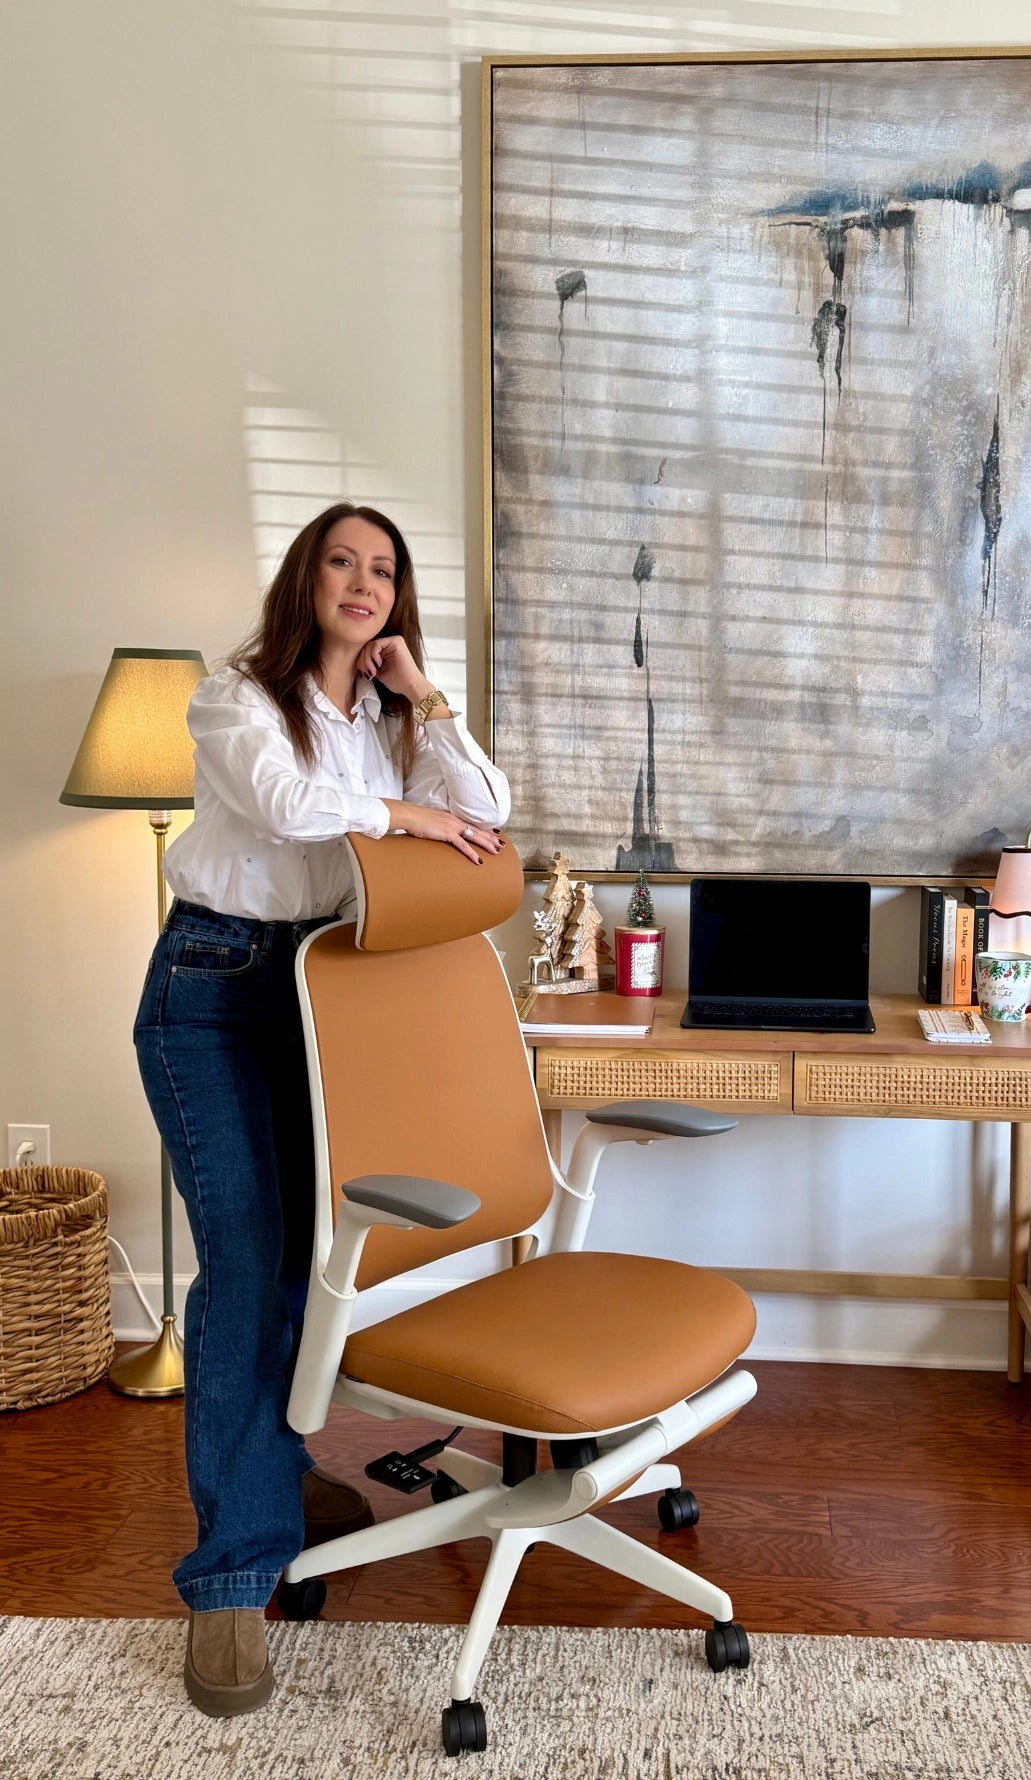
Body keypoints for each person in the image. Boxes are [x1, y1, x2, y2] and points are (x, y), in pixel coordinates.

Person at [133, 502, 509, 1718]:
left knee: (304, 1261)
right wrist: (403, 816)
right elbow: (293, 808)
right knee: (243, 1267)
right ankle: (231, 1578)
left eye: (384, 570)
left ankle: (273, 1480)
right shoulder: (233, 699)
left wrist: (426, 698)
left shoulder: (384, 723)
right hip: (214, 988)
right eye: (343, 561)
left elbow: (487, 809)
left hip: (326, 990)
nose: (363, 581)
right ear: (306, 578)